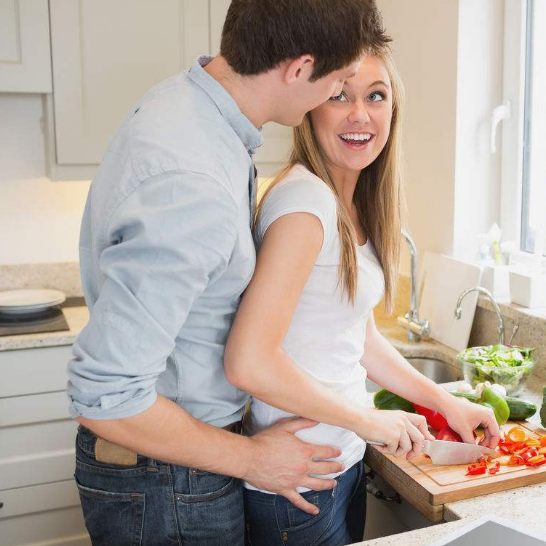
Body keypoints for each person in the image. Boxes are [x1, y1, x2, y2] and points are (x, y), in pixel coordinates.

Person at [66, 1, 389, 545]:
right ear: (299, 69)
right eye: (334, 84)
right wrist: (253, 459)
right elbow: (107, 397)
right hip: (166, 477)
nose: (334, 99)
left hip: (172, 464)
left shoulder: (190, 109)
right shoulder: (194, 179)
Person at [224, 48, 502, 546]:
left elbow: (358, 337)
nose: (360, 114)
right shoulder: (304, 206)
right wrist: (367, 419)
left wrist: (445, 401)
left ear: (393, 109)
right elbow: (249, 361)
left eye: (376, 95)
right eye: (339, 96)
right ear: (310, 107)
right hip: (300, 481)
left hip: (336, 464)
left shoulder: (345, 204)